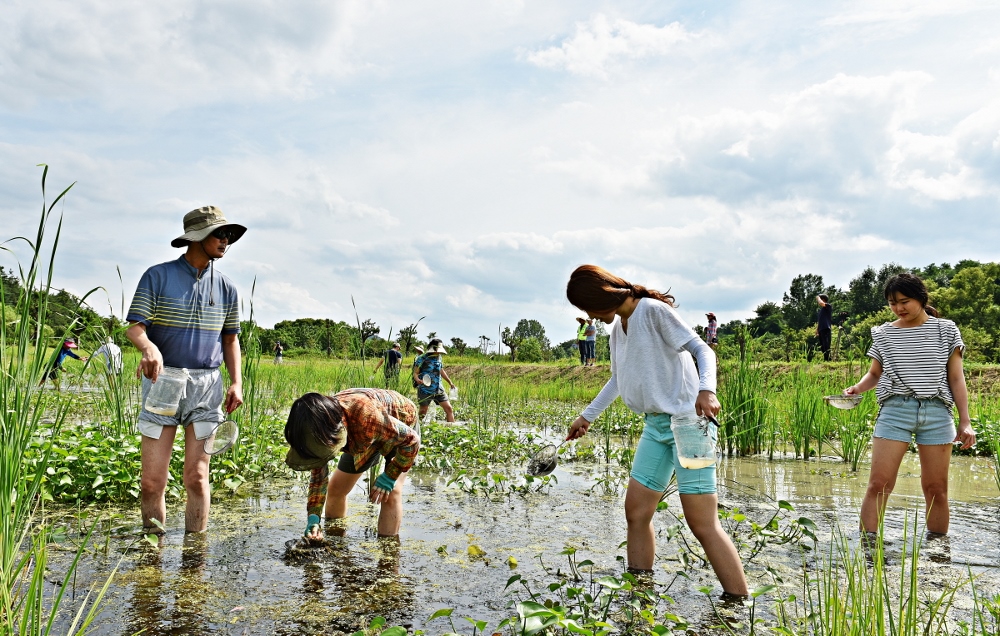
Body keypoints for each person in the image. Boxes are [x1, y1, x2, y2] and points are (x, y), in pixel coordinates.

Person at [564, 264, 748, 597]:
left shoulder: (651, 310)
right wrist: (586, 416)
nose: (589, 315)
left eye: (587, 307)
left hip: (690, 425)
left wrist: (708, 390)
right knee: (636, 511)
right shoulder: (619, 328)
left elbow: (702, 349)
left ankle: (738, 605)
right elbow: (618, 379)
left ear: (600, 297)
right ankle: (640, 593)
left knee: (702, 523)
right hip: (655, 428)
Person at [126, 205, 246, 535]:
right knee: (151, 482)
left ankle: (195, 561)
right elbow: (135, 328)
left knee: (197, 476)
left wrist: (236, 382)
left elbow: (230, 340)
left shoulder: (227, 288)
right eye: (220, 234)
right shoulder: (157, 276)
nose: (226, 240)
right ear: (198, 237)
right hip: (163, 382)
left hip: (207, 385)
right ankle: (152, 556)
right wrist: (149, 347)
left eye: (229, 236)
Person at [844, 273, 975, 539]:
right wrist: (858, 388)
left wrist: (965, 421)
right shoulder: (883, 334)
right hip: (895, 411)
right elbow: (875, 374)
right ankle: (867, 550)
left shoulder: (946, 329)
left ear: (921, 298)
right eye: (892, 303)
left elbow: (956, 377)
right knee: (879, 485)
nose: (899, 308)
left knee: (936, 487)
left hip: (937, 412)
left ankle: (938, 552)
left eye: (904, 301)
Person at [284, 389, 420, 539]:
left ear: (335, 436)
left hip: (400, 428)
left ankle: (387, 554)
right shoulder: (316, 429)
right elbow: (318, 478)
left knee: (391, 492)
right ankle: (337, 542)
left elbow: (411, 441)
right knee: (336, 489)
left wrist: (390, 476)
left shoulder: (365, 415)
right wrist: (313, 519)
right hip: (361, 433)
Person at [412, 339, 456, 423]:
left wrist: (450, 382)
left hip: (438, 388)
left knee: (449, 409)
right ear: (433, 348)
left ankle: (452, 431)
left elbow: (441, 370)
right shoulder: (422, 358)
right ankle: (416, 429)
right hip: (425, 389)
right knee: (423, 411)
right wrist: (417, 380)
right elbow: (415, 373)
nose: (439, 352)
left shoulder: (439, 357)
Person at [817, 294, 833, 362]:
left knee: (826, 344)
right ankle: (825, 359)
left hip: (826, 327)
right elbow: (820, 320)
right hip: (821, 328)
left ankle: (828, 359)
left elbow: (821, 303)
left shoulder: (828, 306)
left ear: (823, 299)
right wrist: (817, 329)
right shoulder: (821, 310)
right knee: (822, 345)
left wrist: (818, 297)